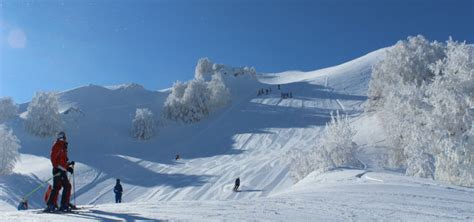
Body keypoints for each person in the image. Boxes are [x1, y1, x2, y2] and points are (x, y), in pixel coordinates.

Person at [45, 131, 75, 212]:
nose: (65, 139)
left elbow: (62, 160)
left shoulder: (62, 146)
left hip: (60, 170)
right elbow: (54, 160)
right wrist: (60, 168)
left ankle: (53, 204)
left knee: (58, 187)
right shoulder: (58, 146)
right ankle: (63, 204)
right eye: (64, 137)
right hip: (58, 171)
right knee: (66, 186)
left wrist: (68, 166)